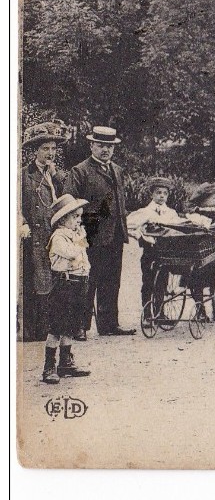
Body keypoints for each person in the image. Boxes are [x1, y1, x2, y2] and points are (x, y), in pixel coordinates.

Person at [64, 126, 135, 337]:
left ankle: (109, 324)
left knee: (112, 280)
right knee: (87, 280)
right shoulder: (80, 171)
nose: (105, 150)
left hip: (115, 235)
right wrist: (79, 231)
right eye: (101, 145)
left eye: (109, 146)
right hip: (91, 236)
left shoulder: (117, 170)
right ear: (92, 145)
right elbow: (70, 203)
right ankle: (79, 326)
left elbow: (120, 201)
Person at [20, 121, 69, 342]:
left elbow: (65, 200)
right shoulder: (23, 175)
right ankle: (32, 331)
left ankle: (50, 328)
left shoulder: (56, 175)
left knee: (54, 280)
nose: (50, 153)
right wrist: (21, 223)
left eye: (53, 149)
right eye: (44, 149)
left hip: (53, 234)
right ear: (35, 151)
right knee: (34, 281)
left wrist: (55, 174)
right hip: (33, 235)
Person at [43, 194, 93, 384]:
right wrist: (81, 241)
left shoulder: (75, 235)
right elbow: (71, 253)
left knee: (71, 324)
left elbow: (83, 257)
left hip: (79, 282)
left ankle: (66, 363)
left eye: (80, 217)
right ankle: (49, 365)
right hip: (64, 284)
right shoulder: (58, 237)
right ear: (63, 219)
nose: (79, 221)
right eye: (75, 217)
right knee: (57, 325)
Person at [126, 177, 182, 328]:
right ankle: (147, 315)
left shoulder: (171, 213)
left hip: (166, 254)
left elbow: (178, 229)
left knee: (162, 283)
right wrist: (141, 235)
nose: (161, 196)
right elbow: (129, 225)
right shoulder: (145, 212)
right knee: (148, 283)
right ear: (152, 194)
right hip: (150, 252)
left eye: (165, 193)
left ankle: (160, 313)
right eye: (158, 193)